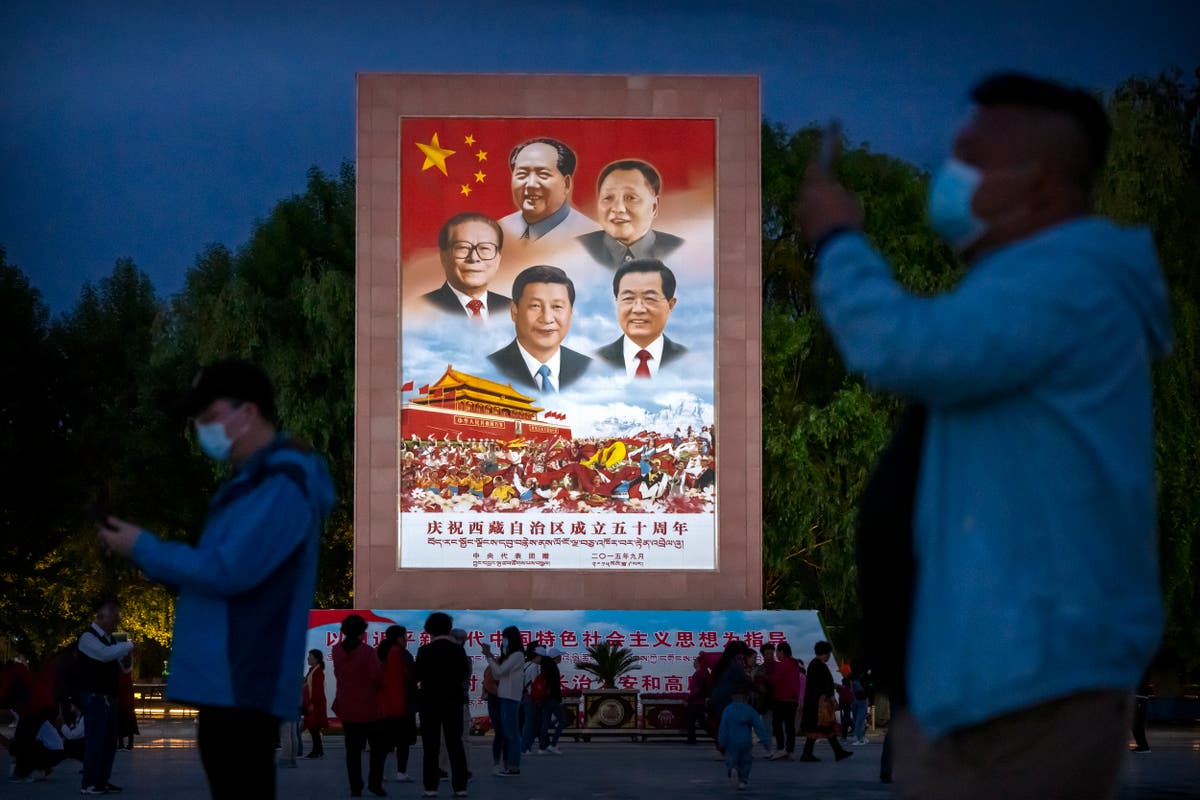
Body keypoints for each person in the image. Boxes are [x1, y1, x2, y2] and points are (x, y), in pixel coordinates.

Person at [797, 72, 1171, 799]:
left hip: (1025, 685)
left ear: (1038, 184)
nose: (949, 176)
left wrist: (839, 239)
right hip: (987, 684)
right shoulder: (1036, 282)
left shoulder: (1067, 279)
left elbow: (901, 347)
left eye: (971, 159)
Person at [96, 358, 336, 798]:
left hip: (243, 679)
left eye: (208, 418)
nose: (200, 429)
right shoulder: (252, 483)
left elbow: (229, 571)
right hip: (229, 680)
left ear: (246, 413)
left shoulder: (283, 482)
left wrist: (144, 547)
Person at [487, 265, 591, 392]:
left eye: (557, 306)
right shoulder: (490, 367)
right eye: (535, 306)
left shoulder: (588, 368)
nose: (547, 319)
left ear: (571, 313)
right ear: (514, 312)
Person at [577, 159, 684, 267]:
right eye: (608, 197)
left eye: (630, 198)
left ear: (654, 207)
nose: (618, 208)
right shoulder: (577, 250)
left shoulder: (681, 252)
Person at [76, 599, 135, 793]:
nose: (118, 621)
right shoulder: (87, 637)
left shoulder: (111, 640)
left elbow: (124, 669)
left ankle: (101, 780)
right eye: (115, 616)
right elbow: (102, 655)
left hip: (109, 697)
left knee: (109, 741)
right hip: (95, 696)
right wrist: (127, 646)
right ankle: (89, 783)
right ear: (102, 616)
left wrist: (126, 658)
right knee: (96, 739)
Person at [595, 258, 688, 378]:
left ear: (670, 305)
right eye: (628, 298)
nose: (638, 309)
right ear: (616, 303)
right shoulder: (595, 361)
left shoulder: (689, 360)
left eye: (650, 299)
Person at [499, 138, 598, 247]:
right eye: (522, 174)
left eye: (543, 175)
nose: (531, 184)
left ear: (566, 184)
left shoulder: (594, 239)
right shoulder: (498, 231)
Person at [414, 612, 470, 797]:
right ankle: (460, 786)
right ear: (448, 629)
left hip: (429, 703)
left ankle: (431, 787)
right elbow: (464, 675)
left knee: (431, 747)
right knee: (455, 744)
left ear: (429, 630)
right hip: (453, 703)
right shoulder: (458, 650)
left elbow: (417, 676)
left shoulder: (424, 651)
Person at [331, 614, 387, 797]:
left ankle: (356, 787)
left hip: (347, 706)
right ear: (362, 632)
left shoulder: (336, 650)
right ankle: (375, 783)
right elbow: (377, 677)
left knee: (352, 751)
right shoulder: (368, 652)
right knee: (378, 748)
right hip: (369, 707)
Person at [423, 213, 510, 320]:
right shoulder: (421, 310)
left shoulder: (513, 310)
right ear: (444, 257)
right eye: (463, 247)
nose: (474, 258)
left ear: (498, 259)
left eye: (485, 248)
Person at [481, 626, 525, 777]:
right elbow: (498, 675)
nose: (502, 641)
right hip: (506, 697)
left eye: (504, 638)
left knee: (511, 733)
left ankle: (513, 766)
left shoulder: (517, 655)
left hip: (510, 697)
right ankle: (510, 765)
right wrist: (491, 657)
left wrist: (488, 656)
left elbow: (499, 672)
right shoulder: (513, 656)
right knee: (509, 732)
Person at [799, 641, 852, 763]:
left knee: (822, 728)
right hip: (818, 705)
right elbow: (823, 685)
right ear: (825, 653)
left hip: (815, 704)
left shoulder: (815, 664)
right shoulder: (818, 665)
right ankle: (837, 752)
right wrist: (832, 697)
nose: (829, 656)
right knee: (825, 726)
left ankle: (809, 754)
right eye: (828, 653)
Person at [378, 625, 417, 781]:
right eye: (405, 636)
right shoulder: (402, 654)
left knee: (383, 743)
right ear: (400, 638)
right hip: (403, 705)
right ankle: (401, 772)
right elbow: (413, 676)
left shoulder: (379, 653)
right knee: (403, 742)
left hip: (382, 706)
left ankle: (380, 773)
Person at [717, 690, 771, 791]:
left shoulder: (728, 710)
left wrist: (721, 742)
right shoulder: (750, 710)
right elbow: (759, 727)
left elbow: (723, 727)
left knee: (731, 758)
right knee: (746, 761)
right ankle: (743, 781)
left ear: (732, 698)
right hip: (746, 741)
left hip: (731, 741)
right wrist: (766, 741)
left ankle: (733, 769)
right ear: (746, 698)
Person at [767, 642, 802, 760]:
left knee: (777, 724)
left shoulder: (781, 664)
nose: (776, 654)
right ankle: (789, 750)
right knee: (789, 726)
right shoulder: (794, 664)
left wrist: (762, 678)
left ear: (782, 651)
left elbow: (776, 679)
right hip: (792, 699)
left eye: (777, 651)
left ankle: (781, 748)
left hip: (781, 699)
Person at [535, 646, 566, 755]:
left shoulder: (545, 666)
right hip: (552, 698)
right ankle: (553, 745)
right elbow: (553, 685)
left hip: (545, 699)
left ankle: (542, 748)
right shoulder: (552, 667)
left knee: (545, 722)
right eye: (559, 656)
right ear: (555, 657)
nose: (561, 658)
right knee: (562, 720)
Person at [301, 649, 328, 760]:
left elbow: (317, 690)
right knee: (314, 729)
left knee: (314, 728)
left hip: (315, 704)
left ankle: (316, 751)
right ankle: (318, 750)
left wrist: (312, 704)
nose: (308, 658)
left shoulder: (318, 672)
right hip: (312, 704)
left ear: (316, 659)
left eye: (310, 656)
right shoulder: (312, 670)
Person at [519, 643, 542, 756]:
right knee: (530, 723)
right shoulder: (534, 667)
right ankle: (525, 747)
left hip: (523, 696)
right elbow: (535, 684)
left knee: (528, 722)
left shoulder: (525, 665)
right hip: (531, 697)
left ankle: (525, 746)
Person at [685, 656, 710, 745]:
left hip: (695, 702)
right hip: (700, 702)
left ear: (699, 663)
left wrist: (688, 700)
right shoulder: (704, 673)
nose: (694, 663)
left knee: (693, 722)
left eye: (695, 661)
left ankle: (691, 739)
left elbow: (696, 690)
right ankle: (691, 739)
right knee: (699, 722)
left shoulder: (698, 674)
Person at [117, 655, 137, 750]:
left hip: (121, 702)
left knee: (119, 723)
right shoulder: (129, 674)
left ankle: (121, 744)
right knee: (130, 723)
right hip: (129, 702)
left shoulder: (121, 676)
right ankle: (130, 744)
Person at [1131, 670, 1153, 753]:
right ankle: (1142, 746)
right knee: (1136, 724)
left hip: (1140, 698)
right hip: (1139, 698)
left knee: (1137, 724)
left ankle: (1144, 747)